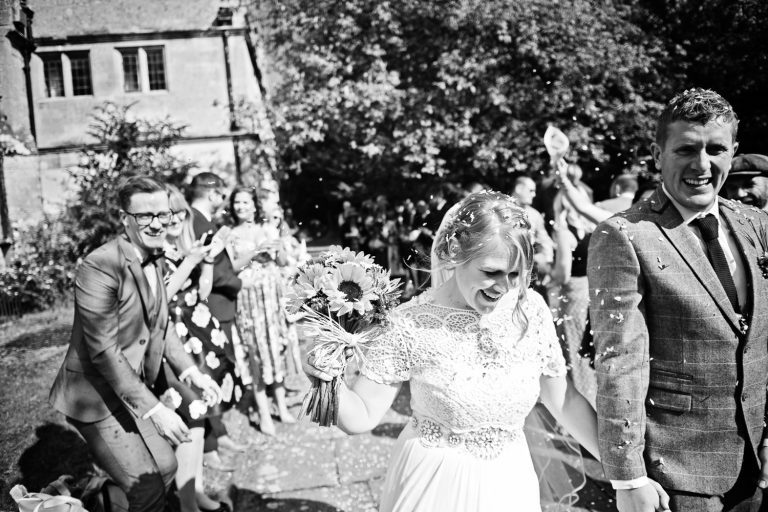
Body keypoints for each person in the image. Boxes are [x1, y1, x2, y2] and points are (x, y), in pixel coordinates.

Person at [303, 191, 669, 511]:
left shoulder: (530, 310)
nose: (504, 288)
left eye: (515, 274)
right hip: (434, 485)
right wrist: (326, 378)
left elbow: (565, 401)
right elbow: (361, 417)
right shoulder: (408, 324)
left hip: (509, 483)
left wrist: (628, 478)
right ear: (454, 251)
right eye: (491, 272)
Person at [588, 88, 768, 512]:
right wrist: (629, 478)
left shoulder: (756, 225)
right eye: (686, 149)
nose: (702, 165)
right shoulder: (625, 236)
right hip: (676, 476)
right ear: (657, 154)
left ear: (733, 152)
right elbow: (620, 362)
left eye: (716, 149)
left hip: (757, 467)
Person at [49, 176, 220, 512]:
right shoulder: (100, 265)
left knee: (166, 466)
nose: (156, 223)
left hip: (127, 389)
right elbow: (103, 350)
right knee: (148, 488)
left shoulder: (155, 257)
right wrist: (155, 411)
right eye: (144, 216)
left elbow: (160, 326)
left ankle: (104, 498)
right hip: (94, 394)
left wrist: (191, 373)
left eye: (163, 214)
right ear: (124, 218)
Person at [159, 185, 234, 512]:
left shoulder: (180, 247)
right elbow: (159, 299)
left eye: (180, 211)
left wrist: (208, 260)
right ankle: (187, 502)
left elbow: (202, 292)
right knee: (191, 412)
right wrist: (191, 260)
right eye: (169, 212)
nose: (176, 218)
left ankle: (196, 491)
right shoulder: (156, 254)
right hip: (174, 341)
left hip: (198, 332)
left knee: (201, 412)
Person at [227, 187, 300, 436]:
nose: (240, 207)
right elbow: (232, 266)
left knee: (276, 348)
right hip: (248, 298)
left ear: (255, 205)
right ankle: (263, 413)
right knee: (255, 351)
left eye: (245, 202)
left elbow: (282, 262)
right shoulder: (230, 234)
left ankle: (281, 405)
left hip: (272, 296)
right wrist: (256, 251)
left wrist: (278, 248)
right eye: (237, 202)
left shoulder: (268, 228)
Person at [187, 172, 246, 469]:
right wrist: (239, 283)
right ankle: (209, 448)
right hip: (211, 308)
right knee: (210, 374)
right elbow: (215, 272)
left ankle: (219, 435)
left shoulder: (204, 221)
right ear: (212, 194)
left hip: (219, 307)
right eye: (222, 195)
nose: (223, 201)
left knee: (221, 371)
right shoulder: (197, 222)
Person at [510, 175, 554, 293]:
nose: (534, 195)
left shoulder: (534, 215)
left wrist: (547, 263)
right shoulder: (501, 210)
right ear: (519, 189)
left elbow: (544, 241)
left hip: (529, 272)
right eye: (531, 190)